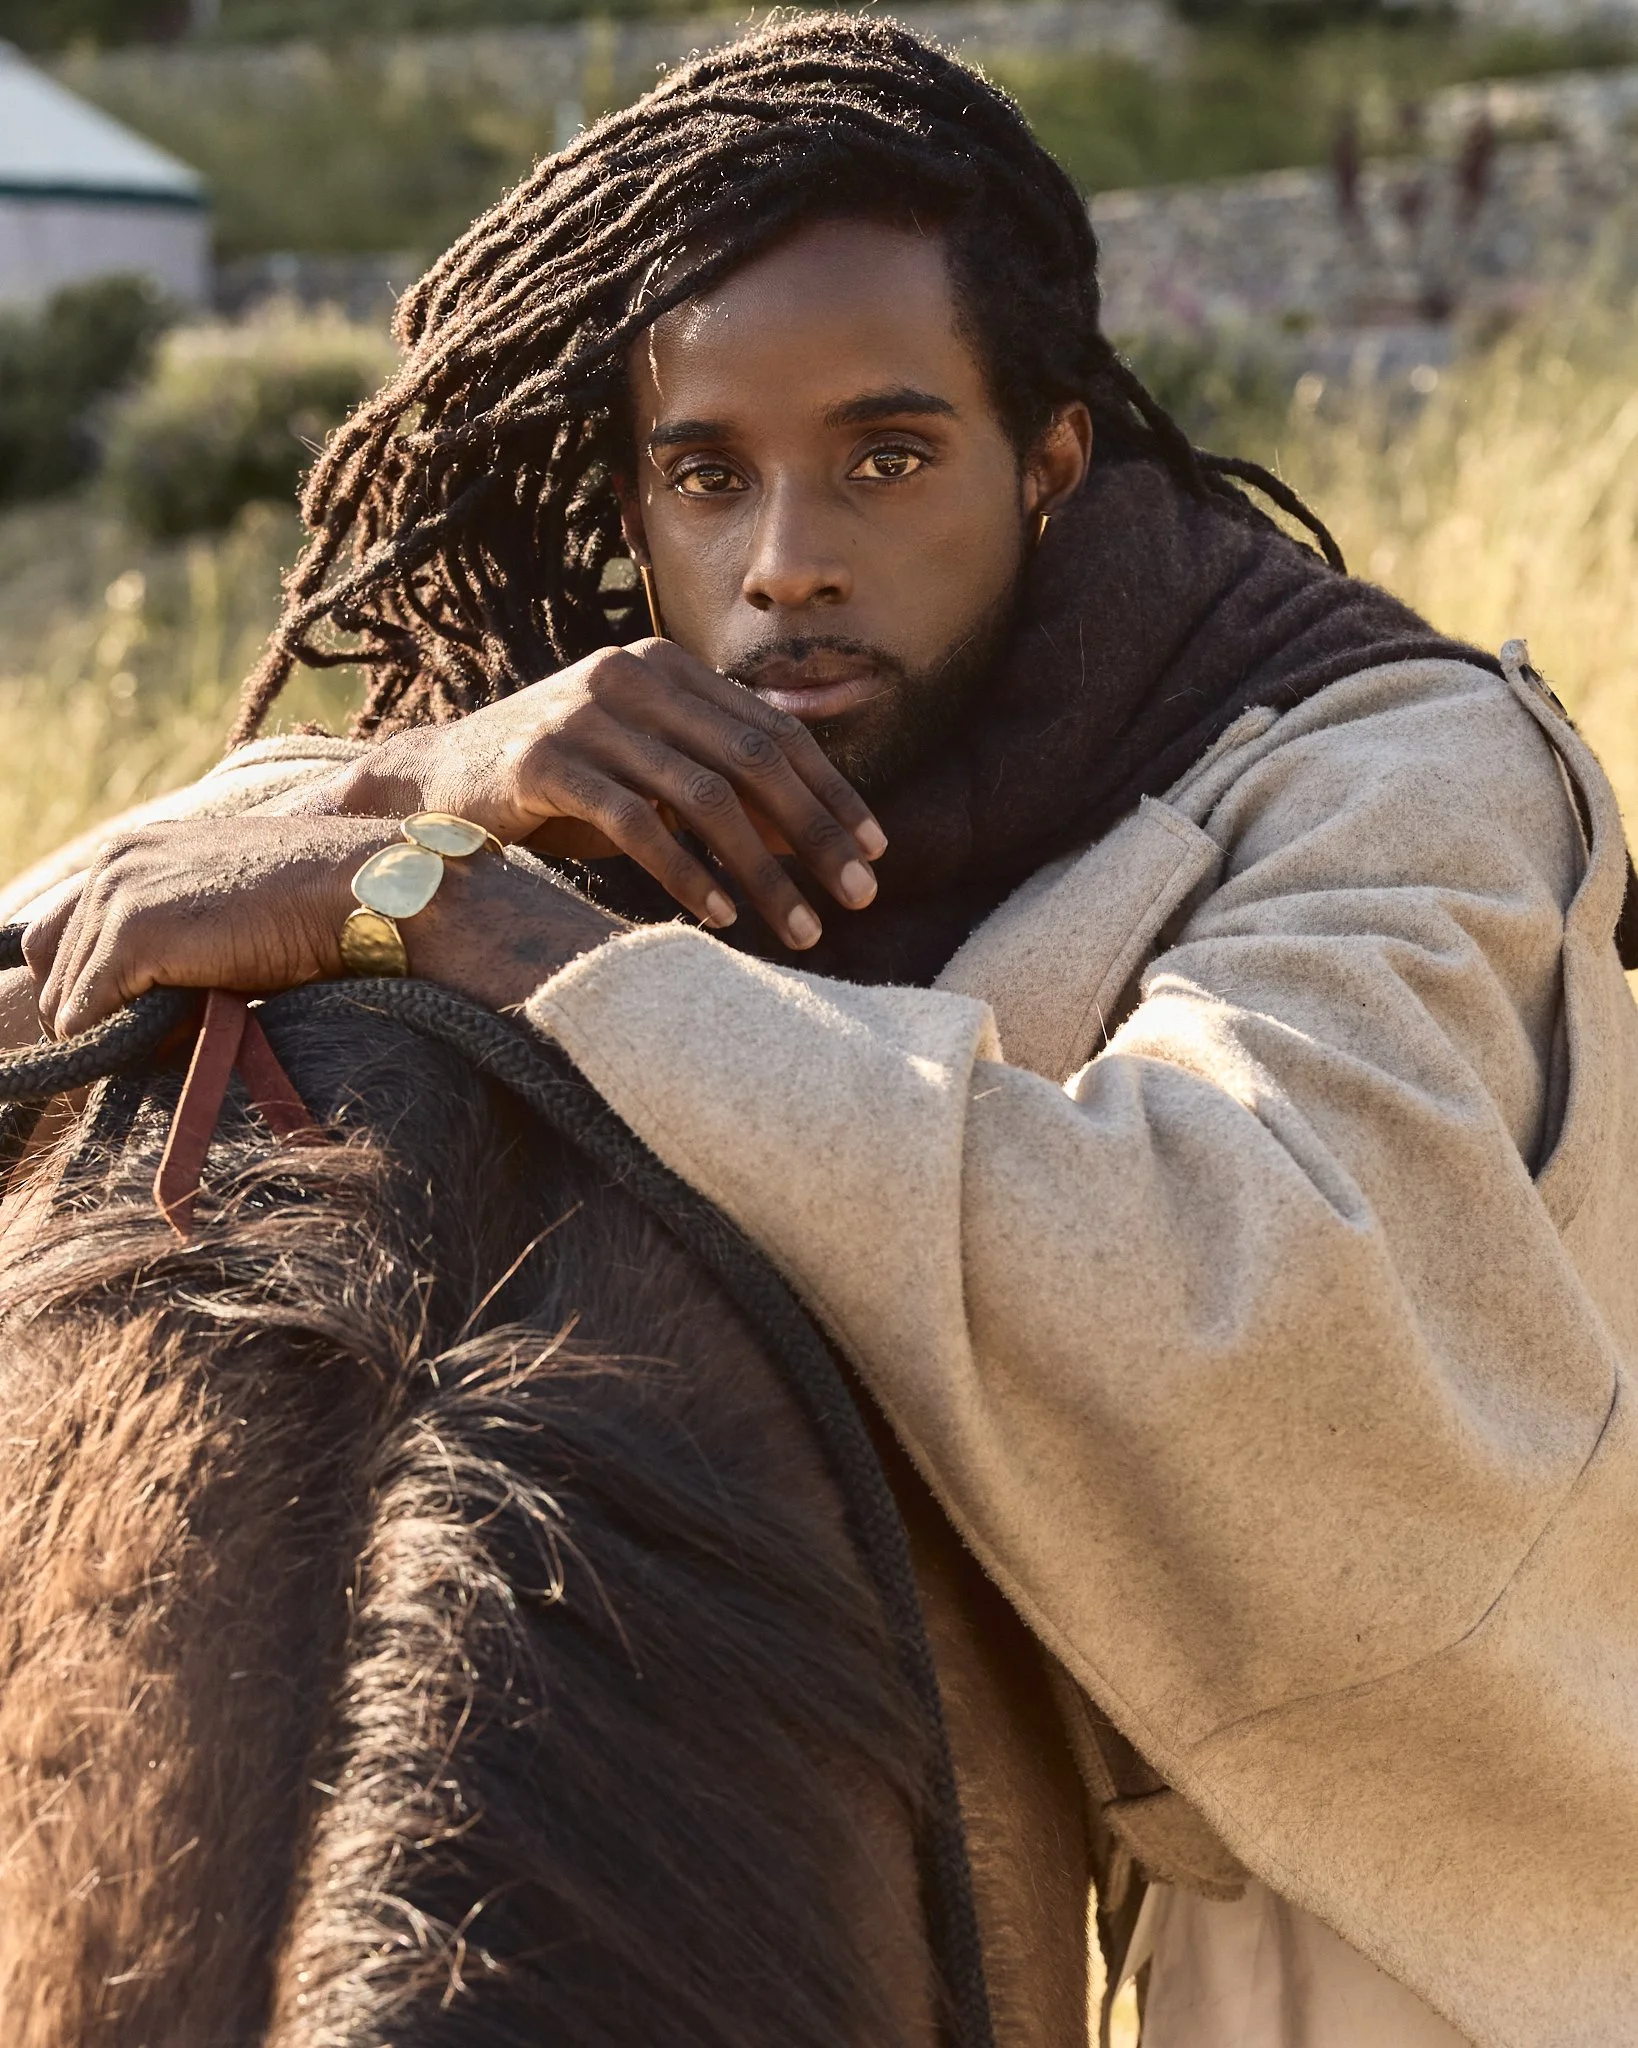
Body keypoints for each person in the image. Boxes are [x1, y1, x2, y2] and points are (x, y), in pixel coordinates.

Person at [6, 19, 1636, 2046]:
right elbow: (55, 961)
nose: (788, 560)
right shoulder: (593, 766)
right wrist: (413, 789)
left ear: (1046, 464)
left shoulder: (1389, 766)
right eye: (708, 477)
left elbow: (1251, 1269)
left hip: (1433, 1901)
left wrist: (493, 930)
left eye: (886, 455)